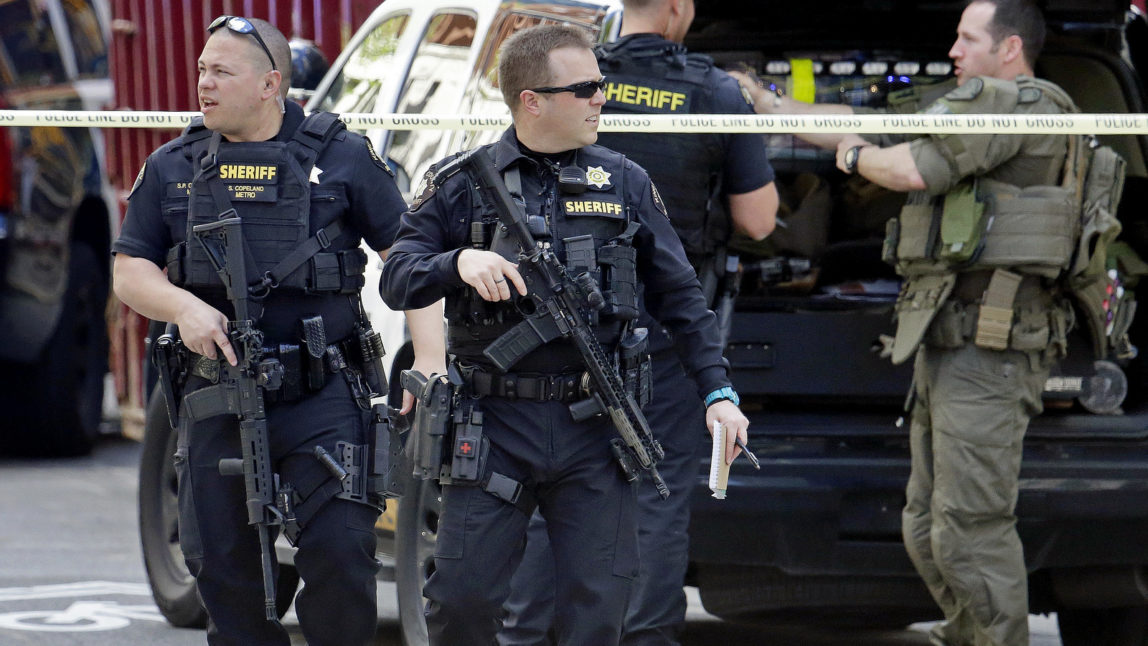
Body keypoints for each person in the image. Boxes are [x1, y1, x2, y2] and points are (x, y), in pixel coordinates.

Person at [379, 23, 750, 646]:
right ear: (533, 99)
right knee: (461, 604)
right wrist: (457, 264)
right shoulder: (461, 181)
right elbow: (396, 276)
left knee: (598, 612)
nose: (603, 98)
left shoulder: (624, 181)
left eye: (600, 86)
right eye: (586, 89)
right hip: (493, 423)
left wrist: (718, 394)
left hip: (595, 428)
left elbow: (683, 299)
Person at [737, 2, 1072, 644]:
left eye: (966, 38)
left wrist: (855, 155)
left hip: (991, 344)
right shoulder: (974, 106)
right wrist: (767, 103)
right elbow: (859, 123)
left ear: (1008, 50)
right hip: (949, 341)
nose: (951, 49)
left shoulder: (1019, 104)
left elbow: (907, 167)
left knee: (971, 522)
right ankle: (966, 633)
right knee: (927, 522)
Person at [111, 16, 424, 646]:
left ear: (270, 83)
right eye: (201, 69)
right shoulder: (174, 164)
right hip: (215, 394)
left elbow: (411, 264)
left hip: (323, 395)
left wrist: (430, 364)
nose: (202, 82)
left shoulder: (343, 158)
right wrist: (183, 308)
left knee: (341, 561)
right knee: (226, 579)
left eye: (220, 71)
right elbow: (129, 269)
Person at [499, 1, 777, 644]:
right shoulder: (714, 92)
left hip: (554, 331)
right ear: (680, 10)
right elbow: (759, 220)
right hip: (663, 330)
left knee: (547, 489)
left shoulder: (567, 74)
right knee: (654, 489)